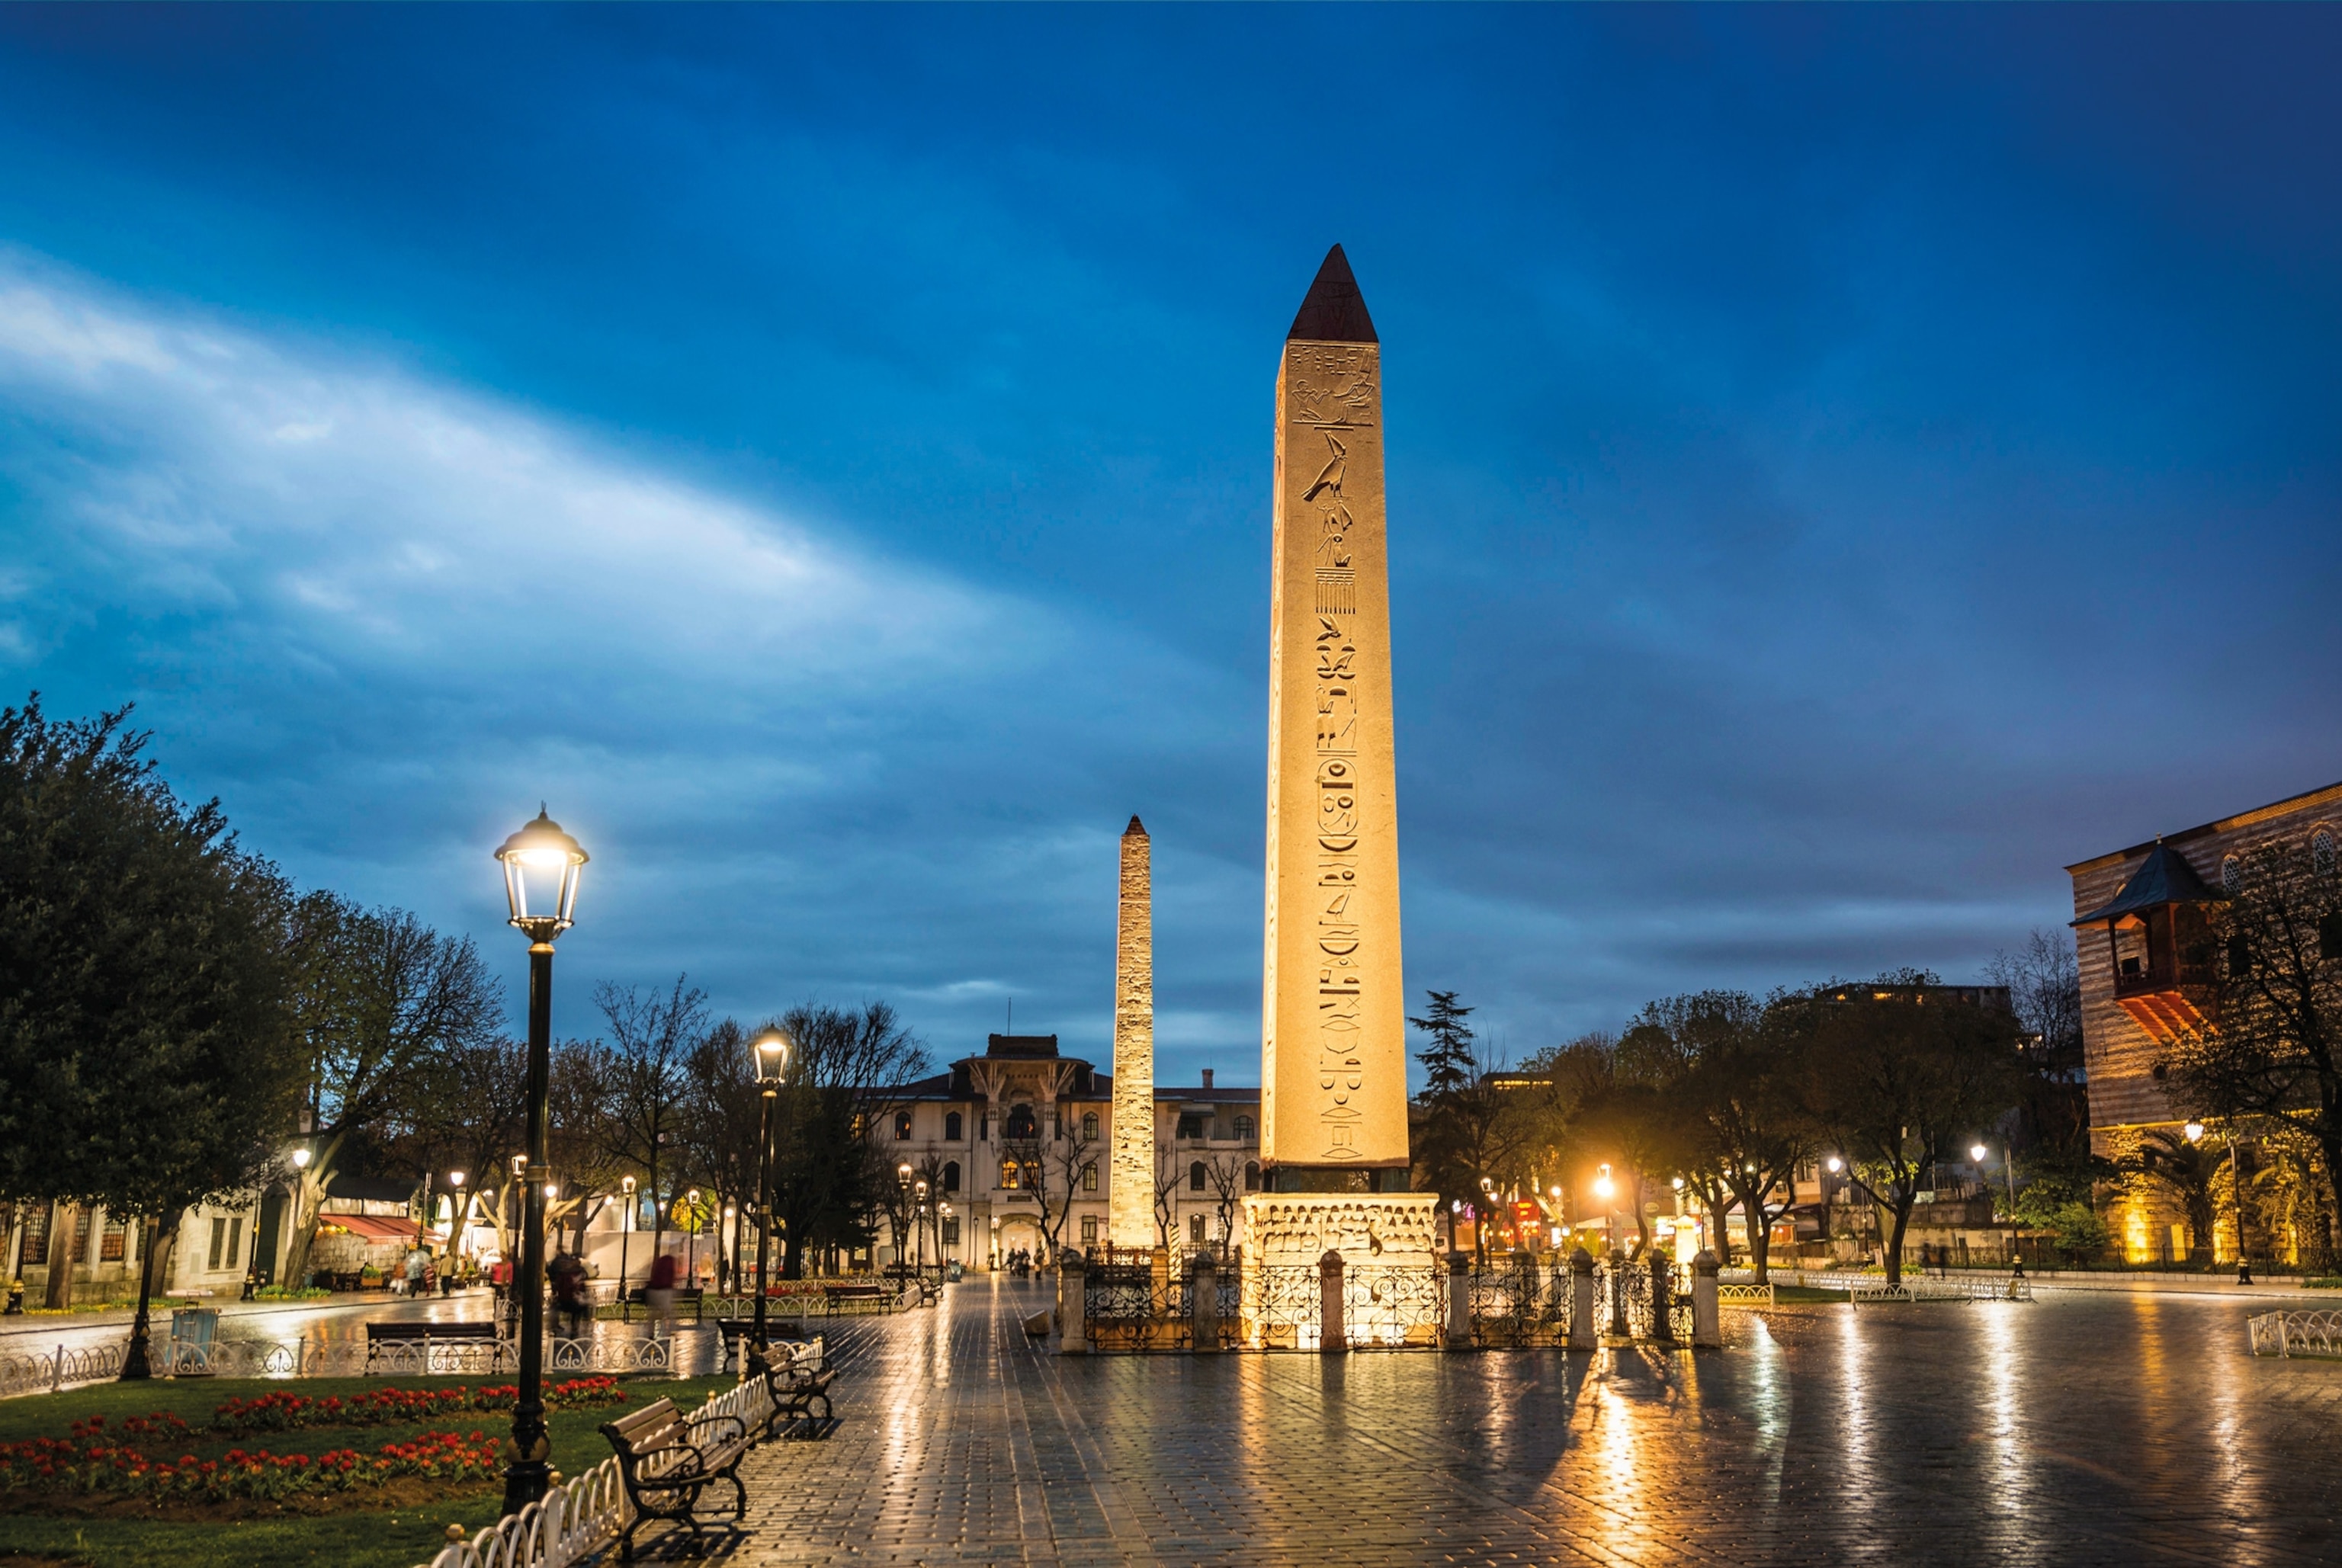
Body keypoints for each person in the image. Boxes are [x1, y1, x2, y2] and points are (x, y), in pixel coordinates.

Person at [548, 1248, 589, 1339]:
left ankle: (574, 1327)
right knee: (556, 1308)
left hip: (571, 1299)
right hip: (567, 1299)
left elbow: (582, 1284)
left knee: (579, 1307)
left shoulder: (578, 1272)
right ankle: (558, 1327)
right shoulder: (566, 1273)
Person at [646, 1249, 679, 1326]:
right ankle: (671, 1330)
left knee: (654, 1313)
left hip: (654, 1291)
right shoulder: (670, 1264)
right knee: (669, 1311)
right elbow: (671, 1277)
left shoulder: (660, 1265)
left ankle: (650, 1330)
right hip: (665, 1291)